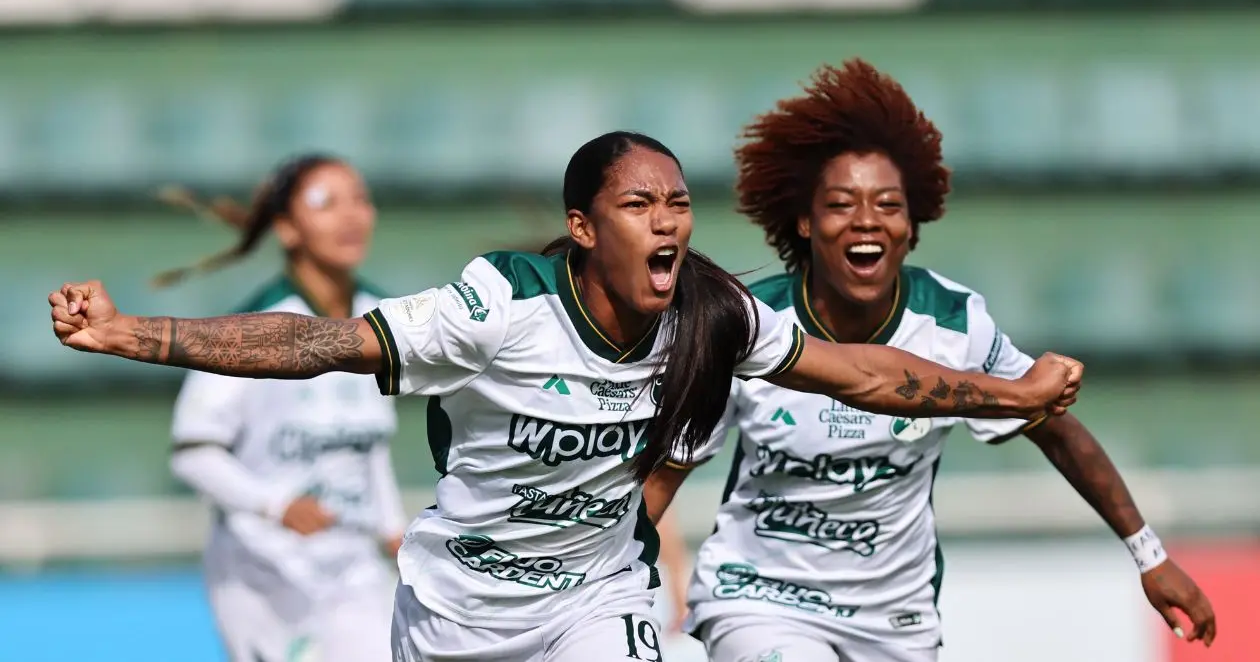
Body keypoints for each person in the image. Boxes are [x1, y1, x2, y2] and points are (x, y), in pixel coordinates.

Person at [48, 131, 1083, 662]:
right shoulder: (498, 307)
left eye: (678, 202)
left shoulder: (713, 312)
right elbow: (320, 342)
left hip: (597, 599)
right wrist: (135, 331)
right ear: (585, 227)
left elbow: (865, 371)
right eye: (639, 204)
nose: (666, 220)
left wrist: (1005, 391)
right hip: (458, 608)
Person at [643, 61, 1217, 662]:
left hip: (894, 615)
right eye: (842, 204)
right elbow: (664, 474)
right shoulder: (750, 326)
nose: (867, 220)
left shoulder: (954, 324)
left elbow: (1058, 432)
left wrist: (1149, 554)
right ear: (806, 222)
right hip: (760, 598)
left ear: (911, 228)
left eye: (888, 205)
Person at [158, 154, 407, 662]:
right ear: (287, 229)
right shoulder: (253, 330)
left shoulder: (384, 320)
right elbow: (192, 452)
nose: (350, 216)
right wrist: (276, 505)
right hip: (263, 574)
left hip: (352, 569)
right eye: (326, 203)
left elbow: (369, 445)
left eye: (360, 199)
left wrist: (392, 529)